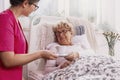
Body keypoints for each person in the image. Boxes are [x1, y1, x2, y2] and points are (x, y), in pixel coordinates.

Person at [0, 0, 58, 80]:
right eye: (35, 6)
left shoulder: (14, 20)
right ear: (25, 3)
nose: (34, 9)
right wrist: (40, 54)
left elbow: (17, 58)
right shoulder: (5, 19)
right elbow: (8, 60)